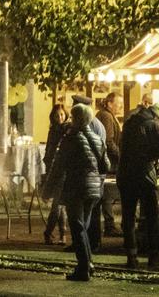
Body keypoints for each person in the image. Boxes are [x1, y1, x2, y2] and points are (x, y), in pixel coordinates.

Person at [47, 103, 110, 281]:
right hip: (94, 189)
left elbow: (58, 165)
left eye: (72, 117)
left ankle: (83, 268)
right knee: (83, 226)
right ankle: (88, 263)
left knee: (77, 226)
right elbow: (106, 165)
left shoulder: (71, 137)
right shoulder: (97, 138)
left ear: (77, 119)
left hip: (77, 187)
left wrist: (48, 190)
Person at [118, 103, 159, 269]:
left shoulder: (128, 123)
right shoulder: (152, 125)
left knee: (128, 216)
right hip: (143, 175)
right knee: (152, 216)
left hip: (125, 174)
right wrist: (149, 156)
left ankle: (131, 256)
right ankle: (154, 255)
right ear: (156, 117)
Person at [72, 93, 107, 251]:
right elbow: (105, 161)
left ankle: (86, 252)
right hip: (96, 178)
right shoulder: (97, 126)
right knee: (90, 214)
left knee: (81, 219)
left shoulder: (81, 132)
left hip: (84, 179)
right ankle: (91, 246)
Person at [42, 102, 70, 244]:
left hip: (63, 170)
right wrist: (48, 166)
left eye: (62, 114)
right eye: (57, 115)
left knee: (59, 204)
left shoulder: (67, 130)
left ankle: (54, 233)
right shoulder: (53, 131)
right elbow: (49, 150)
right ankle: (56, 234)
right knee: (58, 204)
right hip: (54, 170)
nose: (59, 117)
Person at [95, 93, 123, 235]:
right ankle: (109, 224)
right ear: (110, 103)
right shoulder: (106, 116)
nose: (121, 106)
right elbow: (109, 141)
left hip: (108, 161)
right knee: (107, 192)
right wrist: (121, 156)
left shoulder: (109, 115)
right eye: (119, 103)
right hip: (109, 162)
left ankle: (109, 224)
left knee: (106, 193)